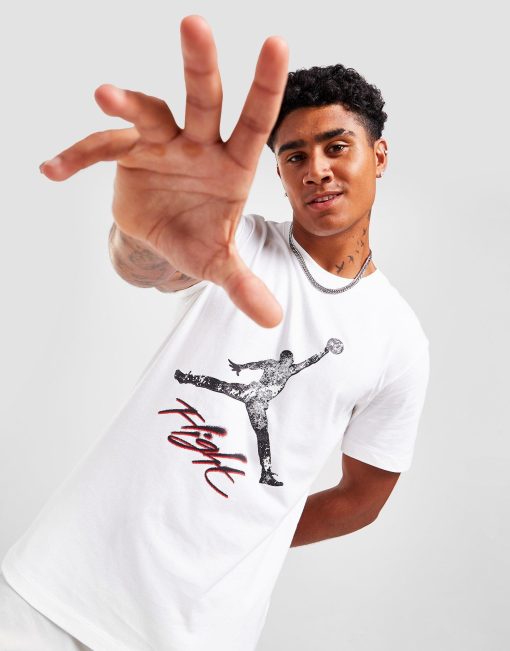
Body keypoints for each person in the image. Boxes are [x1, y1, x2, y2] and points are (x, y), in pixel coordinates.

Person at [0, 14, 430, 651]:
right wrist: (144, 233)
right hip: (57, 593)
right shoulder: (238, 244)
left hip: (199, 633)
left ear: (379, 156)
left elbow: (362, 498)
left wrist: (245, 534)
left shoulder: (399, 340)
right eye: (294, 155)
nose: (316, 169)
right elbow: (145, 267)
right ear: (279, 173)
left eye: (336, 147)